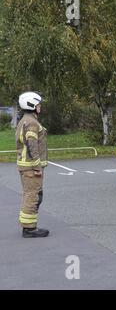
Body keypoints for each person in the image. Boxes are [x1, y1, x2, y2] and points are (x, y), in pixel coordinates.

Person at [16, 92, 49, 238]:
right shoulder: (32, 122)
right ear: (32, 105)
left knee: (31, 195)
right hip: (31, 168)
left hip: (27, 166)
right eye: (38, 104)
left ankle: (28, 226)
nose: (40, 106)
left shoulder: (26, 119)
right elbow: (32, 146)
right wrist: (37, 167)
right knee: (32, 196)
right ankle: (29, 229)